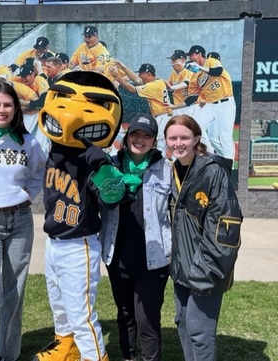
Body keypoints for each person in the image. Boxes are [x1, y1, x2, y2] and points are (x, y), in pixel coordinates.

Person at [33, 71, 124, 361]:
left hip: (79, 245)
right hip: (53, 241)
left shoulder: (94, 159)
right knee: (59, 305)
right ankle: (66, 349)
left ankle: (95, 357)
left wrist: (105, 167)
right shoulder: (55, 149)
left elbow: (113, 196)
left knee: (81, 312)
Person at [0, 81, 46, 361]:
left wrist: (30, 194)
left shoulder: (29, 143)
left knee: (14, 292)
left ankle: (8, 352)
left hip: (21, 221)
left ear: (16, 109)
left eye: (8, 105)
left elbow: (39, 172)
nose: (2, 110)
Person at [164, 114, 242, 361]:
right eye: (173, 138)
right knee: (183, 324)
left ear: (196, 138)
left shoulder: (212, 172)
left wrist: (206, 271)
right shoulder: (174, 170)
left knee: (200, 331)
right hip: (182, 268)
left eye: (184, 137)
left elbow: (226, 230)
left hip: (205, 269)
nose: (179, 143)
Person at [99, 113, 172, 361]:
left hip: (153, 259)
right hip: (117, 256)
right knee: (125, 314)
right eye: (135, 133)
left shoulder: (166, 170)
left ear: (154, 141)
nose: (140, 139)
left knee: (147, 318)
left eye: (146, 135)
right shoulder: (110, 165)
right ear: (127, 136)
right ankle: (128, 357)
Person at [185, 45, 236, 163]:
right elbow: (193, 96)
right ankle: (211, 153)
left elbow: (217, 71)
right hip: (211, 105)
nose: (190, 58)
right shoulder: (196, 75)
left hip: (225, 103)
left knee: (225, 136)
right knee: (196, 127)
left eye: (191, 55)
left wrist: (199, 67)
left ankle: (229, 164)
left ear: (198, 54)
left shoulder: (211, 61)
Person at [111, 62, 172, 153]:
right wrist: (123, 66)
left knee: (160, 145)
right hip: (163, 116)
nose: (140, 76)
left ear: (148, 74)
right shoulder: (158, 81)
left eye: (141, 74)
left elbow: (133, 89)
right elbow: (137, 80)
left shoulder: (153, 86)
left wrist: (118, 78)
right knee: (160, 144)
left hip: (162, 117)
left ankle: (165, 163)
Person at [164, 49, 194, 116]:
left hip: (190, 106)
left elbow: (186, 83)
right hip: (178, 107)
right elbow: (168, 85)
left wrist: (172, 88)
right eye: (172, 60)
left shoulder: (189, 69)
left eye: (174, 60)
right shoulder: (174, 72)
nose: (172, 63)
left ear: (183, 60)